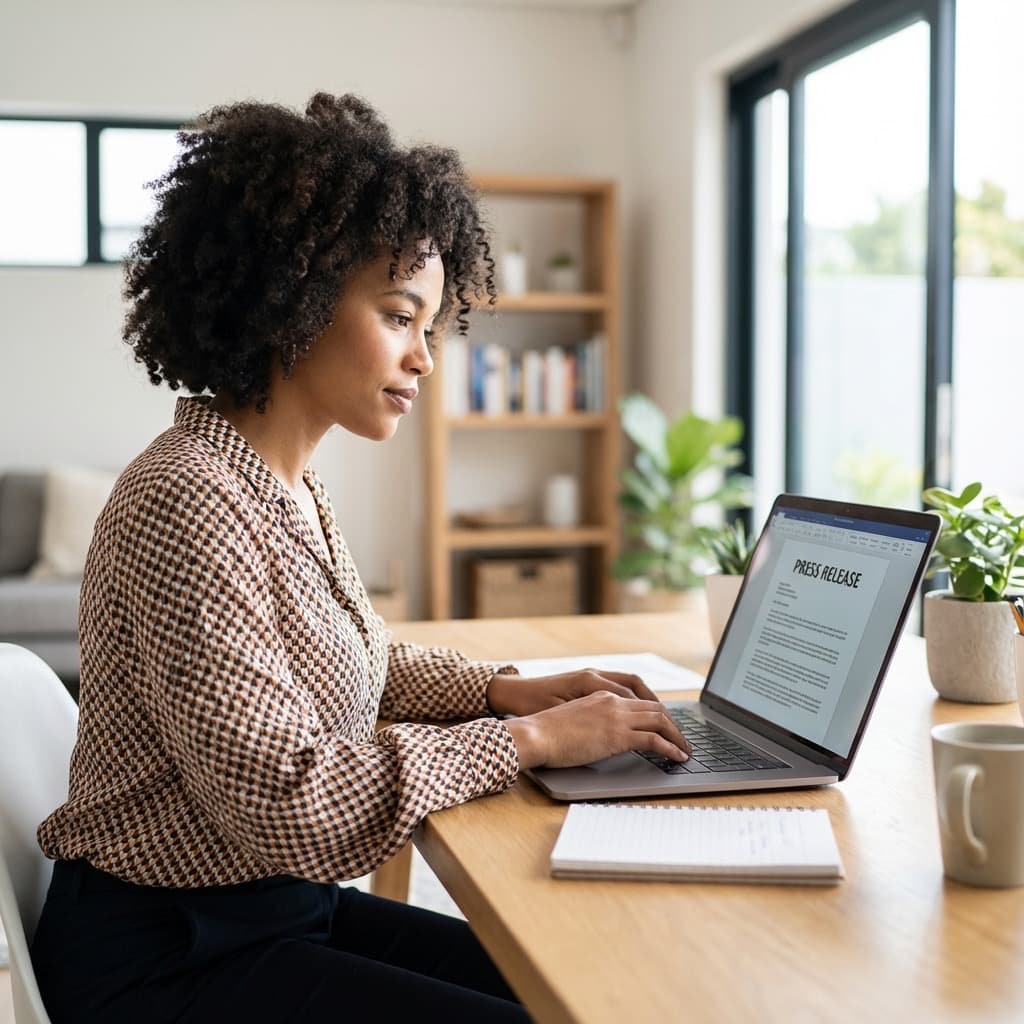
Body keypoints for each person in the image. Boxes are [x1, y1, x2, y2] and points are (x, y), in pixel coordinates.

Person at [30, 92, 691, 1024]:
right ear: (289, 302)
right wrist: (533, 742)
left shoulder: (282, 484)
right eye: (398, 315)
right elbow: (292, 801)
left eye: (431, 324)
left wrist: (505, 691)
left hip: (274, 913)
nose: (425, 357)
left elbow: (355, 665)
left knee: (581, 984)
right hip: (166, 959)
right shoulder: (188, 500)